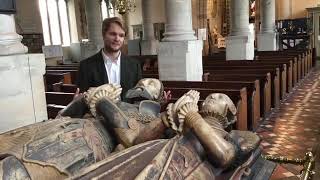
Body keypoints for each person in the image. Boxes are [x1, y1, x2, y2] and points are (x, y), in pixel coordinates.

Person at [76, 17, 142, 102]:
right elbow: (83, 99)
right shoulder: (86, 66)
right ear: (104, 35)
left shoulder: (134, 65)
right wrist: (77, 103)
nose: (117, 39)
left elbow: (138, 96)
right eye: (113, 34)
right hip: (98, 115)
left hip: (128, 114)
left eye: (121, 35)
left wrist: (160, 100)